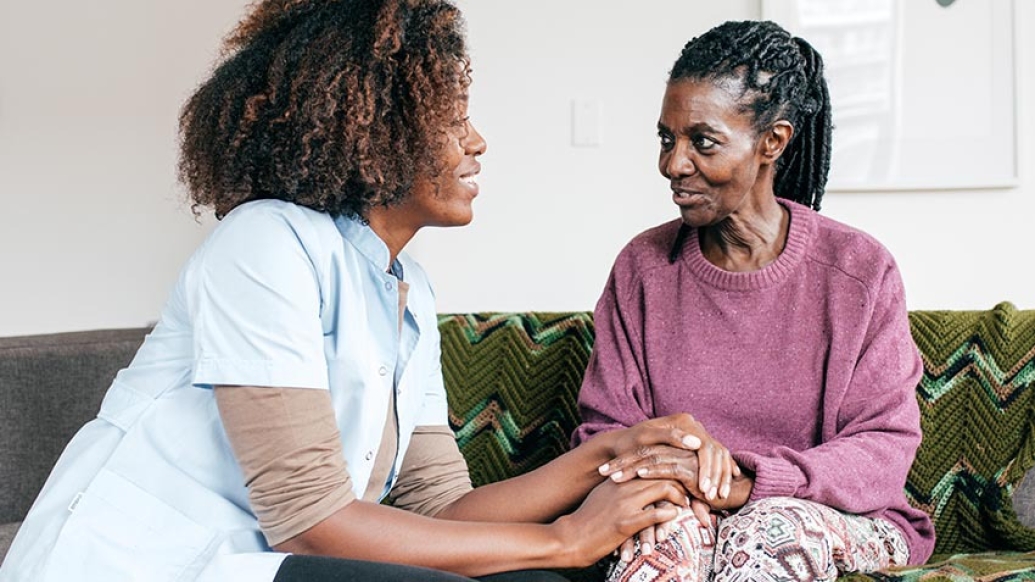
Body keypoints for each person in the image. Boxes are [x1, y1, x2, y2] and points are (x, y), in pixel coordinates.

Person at [0, 2, 715, 581]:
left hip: (272, 557)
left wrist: (612, 451)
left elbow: (442, 509)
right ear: (374, 128)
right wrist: (563, 540)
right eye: (451, 116)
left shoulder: (408, 290)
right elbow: (310, 522)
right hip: (154, 563)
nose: (477, 143)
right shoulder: (264, 243)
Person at [571, 20, 936, 582]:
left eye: (703, 141)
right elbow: (604, 436)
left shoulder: (859, 272)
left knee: (763, 532)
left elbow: (883, 448)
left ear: (773, 142)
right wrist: (673, 487)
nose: (674, 165)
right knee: (661, 537)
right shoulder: (642, 269)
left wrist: (748, 482)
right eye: (667, 139)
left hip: (834, 516)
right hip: (685, 504)